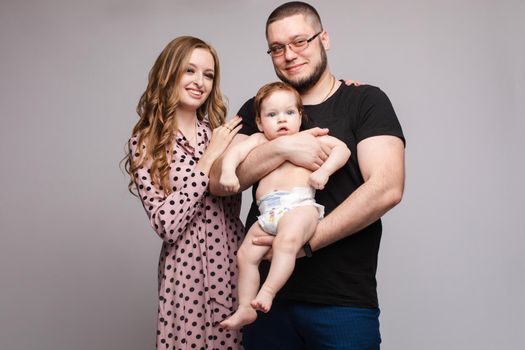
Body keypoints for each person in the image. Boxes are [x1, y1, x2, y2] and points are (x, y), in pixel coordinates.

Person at [209, 2, 406, 349]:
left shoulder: (365, 101)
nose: (289, 55)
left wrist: (305, 244)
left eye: (300, 41)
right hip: (264, 304)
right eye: (277, 48)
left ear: (324, 39)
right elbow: (218, 180)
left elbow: (387, 187)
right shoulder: (260, 107)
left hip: (342, 301)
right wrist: (283, 149)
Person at [125, 36, 244, 350]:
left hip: (233, 269)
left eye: (208, 74)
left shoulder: (221, 133)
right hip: (185, 277)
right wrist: (207, 160)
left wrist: (338, 86)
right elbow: (166, 223)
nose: (199, 81)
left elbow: (279, 118)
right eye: (189, 70)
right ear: (169, 74)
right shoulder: (145, 143)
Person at [219, 82, 350, 330]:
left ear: (300, 116)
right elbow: (233, 155)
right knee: (244, 255)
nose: (282, 120)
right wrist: (227, 172)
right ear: (259, 123)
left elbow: (342, 150)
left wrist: (324, 171)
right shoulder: (259, 140)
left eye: (289, 113)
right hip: (267, 214)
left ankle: (268, 290)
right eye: (272, 115)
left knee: (285, 242)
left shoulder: (311, 137)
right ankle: (246, 307)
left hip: (300, 207)